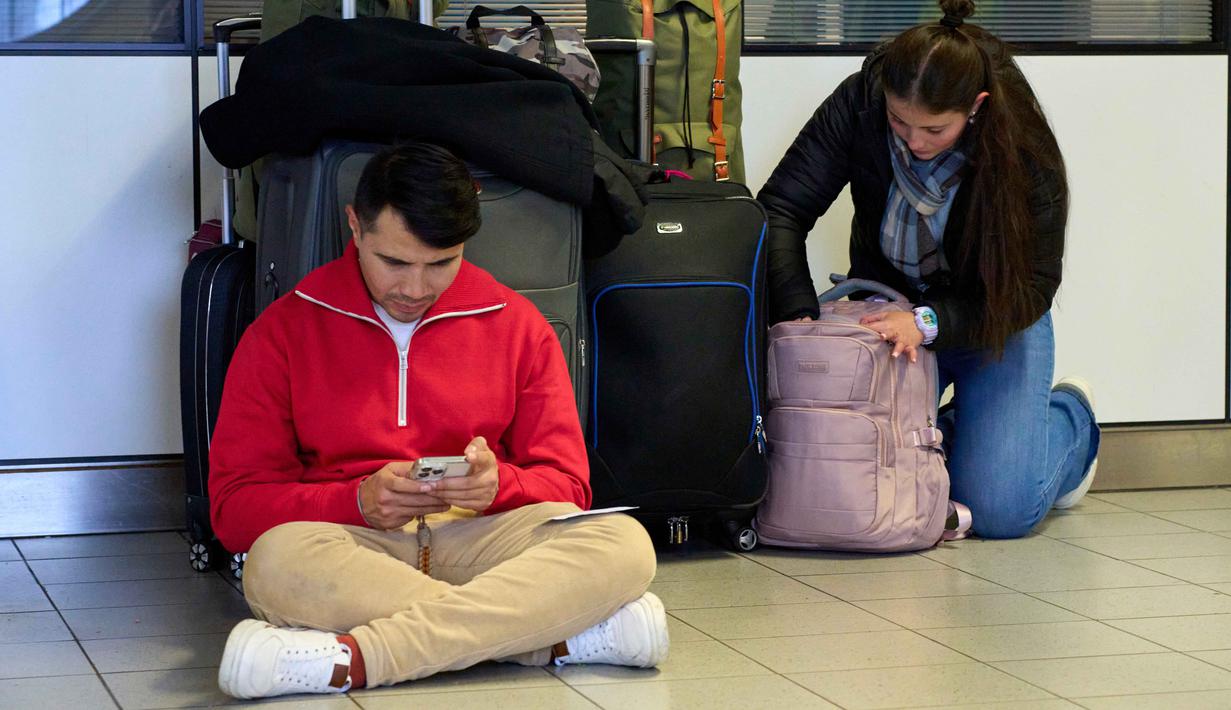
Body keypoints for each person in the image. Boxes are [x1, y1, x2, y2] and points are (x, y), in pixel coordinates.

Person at [208, 142, 667, 699]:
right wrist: (354, 501)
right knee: (275, 562)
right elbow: (234, 509)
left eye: (441, 263)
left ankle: (354, 660)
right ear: (355, 226)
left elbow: (569, 487)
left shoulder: (518, 325)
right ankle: (547, 640)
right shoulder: (283, 330)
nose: (415, 289)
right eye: (395, 262)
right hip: (355, 546)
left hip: (484, 540)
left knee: (622, 543)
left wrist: (501, 485)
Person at [757, 0, 1099, 538]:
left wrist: (929, 321)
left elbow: (1033, 285)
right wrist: (798, 316)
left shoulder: (1023, 146)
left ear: (976, 108)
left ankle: (1071, 419)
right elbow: (782, 209)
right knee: (861, 477)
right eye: (899, 121)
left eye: (934, 129)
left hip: (995, 315)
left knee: (1001, 511)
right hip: (888, 311)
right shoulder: (860, 101)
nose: (913, 142)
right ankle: (967, 434)